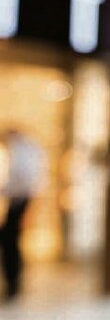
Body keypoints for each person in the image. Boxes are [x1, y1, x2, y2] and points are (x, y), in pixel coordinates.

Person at [0, 129, 45, 301]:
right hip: (18, 200)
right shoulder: (25, 149)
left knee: (10, 243)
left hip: (21, 200)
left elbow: (23, 181)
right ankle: (12, 284)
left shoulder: (23, 151)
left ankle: (13, 284)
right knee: (10, 242)